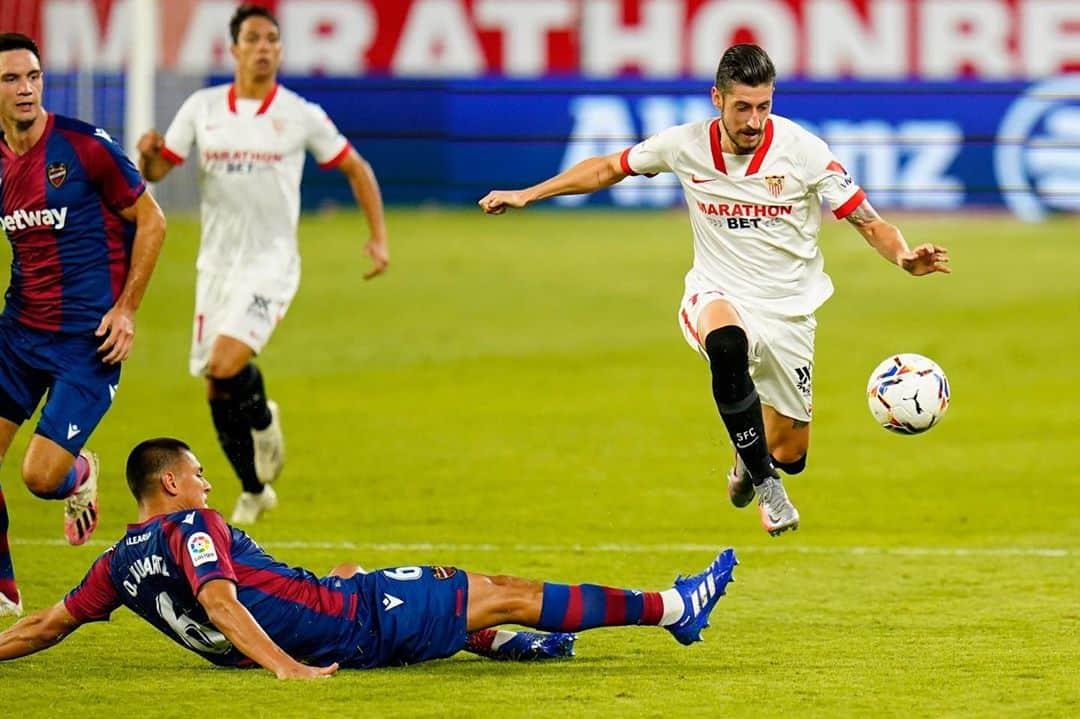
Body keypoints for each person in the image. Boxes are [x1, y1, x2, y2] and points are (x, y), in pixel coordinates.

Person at [479, 44, 950, 537]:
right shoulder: (683, 144)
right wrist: (528, 193)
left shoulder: (803, 151)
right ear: (716, 99)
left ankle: (750, 465)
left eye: (763, 106)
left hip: (789, 310)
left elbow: (866, 220)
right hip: (716, 291)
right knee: (729, 346)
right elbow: (607, 168)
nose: (754, 121)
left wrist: (902, 256)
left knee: (791, 452)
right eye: (742, 107)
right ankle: (766, 484)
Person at [0, 438, 737, 676]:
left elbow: (44, 625)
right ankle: (674, 607)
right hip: (347, 627)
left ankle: (502, 641)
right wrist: (285, 667)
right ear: (170, 483)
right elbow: (221, 600)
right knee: (504, 585)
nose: (206, 481)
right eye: (196, 472)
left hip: (327, 607)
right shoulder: (193, 524)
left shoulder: (118, 562)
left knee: (389, 581)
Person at [135, 4, 390, 526]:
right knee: (214, 384)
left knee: (227, 364)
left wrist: (378, 238)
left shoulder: (299, 113)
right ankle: (254, 488)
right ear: (233, 49)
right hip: (216, 268)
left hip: (270, 265)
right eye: (253, 38)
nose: (264, 47)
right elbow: (159, 168)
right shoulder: (202, 108)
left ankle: (264, 420)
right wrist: (148, 152)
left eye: (272, 39)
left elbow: (356, 167)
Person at [0, 34, 167, 617]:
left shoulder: (83, 146)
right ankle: (4, 593)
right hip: (18, 334)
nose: (25, 89)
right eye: (11, 79)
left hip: (87, 343)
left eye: (33, 77)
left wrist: (126, 310)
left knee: (38, 478)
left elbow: (153, 221)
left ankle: (78, 472)